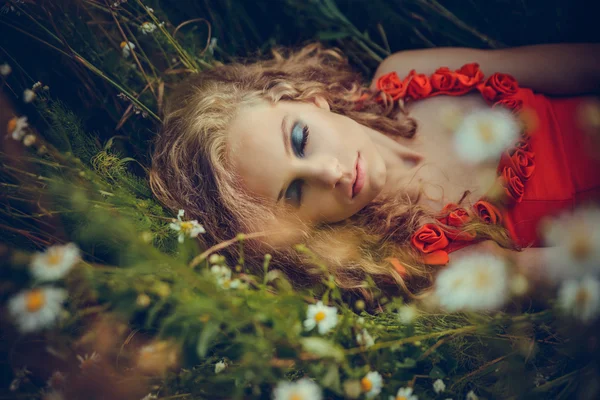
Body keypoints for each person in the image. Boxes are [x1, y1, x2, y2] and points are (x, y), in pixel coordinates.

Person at [149, 42, 600, 306]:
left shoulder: (406, 76)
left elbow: (570, 64)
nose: (332, 173)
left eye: (301, 139)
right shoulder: (417, 258)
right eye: (294, 193)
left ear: (307, 98)